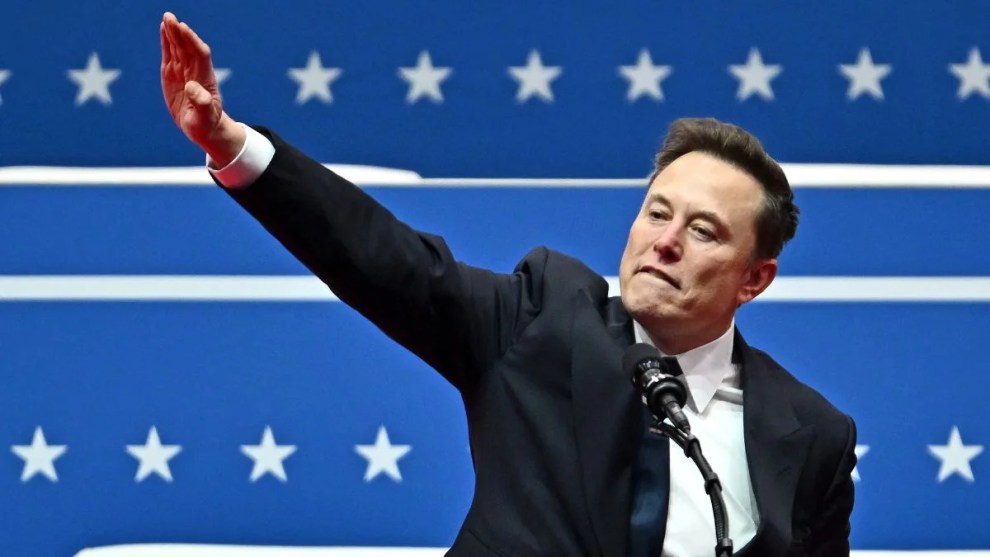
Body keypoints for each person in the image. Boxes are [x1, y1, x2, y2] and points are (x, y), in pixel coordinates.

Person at [160, 12, 857, 556]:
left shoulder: (811, 433)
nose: (665, 241)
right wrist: (230, 145)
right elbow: (384, 259)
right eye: (657, 212)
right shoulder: (542, 319)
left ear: (755, 278)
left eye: (703, 231)